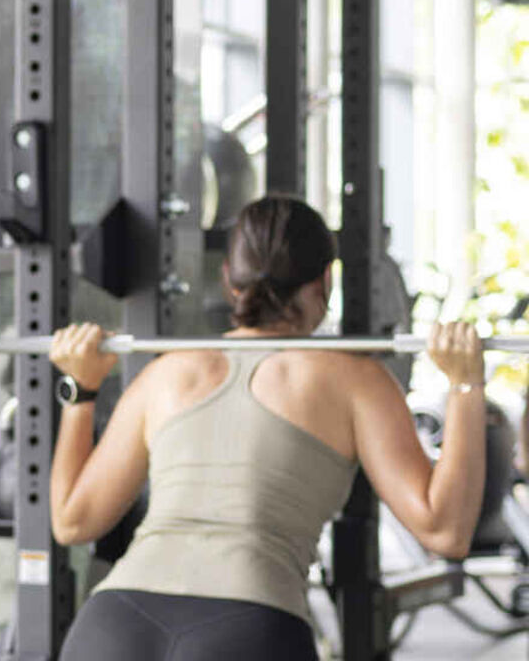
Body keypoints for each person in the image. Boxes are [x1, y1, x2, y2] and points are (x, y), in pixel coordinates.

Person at [48, 195, 486, 660]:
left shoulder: (167, 372)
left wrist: (81, 389)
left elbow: (72, 521)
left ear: (229, 281)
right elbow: (444, 532)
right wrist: (465, 385)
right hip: (250, 628)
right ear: (325, 282)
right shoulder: (355, 379)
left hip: (115, 624)